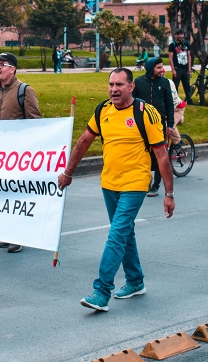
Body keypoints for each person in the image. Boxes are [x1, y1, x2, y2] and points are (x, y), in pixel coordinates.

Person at [57, 68, 175, 312]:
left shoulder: (146, 113)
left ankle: (101, 291)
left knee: (117, 234)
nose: (114, 89)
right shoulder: (103, 110)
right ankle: (135, 281)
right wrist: (68, 172)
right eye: (111, 84)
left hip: (135, 183)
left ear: (131, 87)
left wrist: (169, 193)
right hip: (109, 183)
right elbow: (84, 141)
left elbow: (161, 155)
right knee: (125, 233)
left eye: (119, 84)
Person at [0, 52, 42, 253]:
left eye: (2, 64)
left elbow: (35, 122)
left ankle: (19, 235)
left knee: (17, 195)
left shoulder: (25, 91)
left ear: (12, 68)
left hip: (17, 155)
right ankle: (7, 232)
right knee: (1, 193)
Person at [132, 58, 174, 197]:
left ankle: (155, 185)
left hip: (158, 123)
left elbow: (169, 104)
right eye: (158, 67)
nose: (161, 70)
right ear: (151, 68)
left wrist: (170, 124)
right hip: (141, 123)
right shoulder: (139, 82)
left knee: (159, 154)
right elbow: (132, 102)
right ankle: (145, 182)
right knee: (143, 153)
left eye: (162, 67)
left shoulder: (164, 82)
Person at [168, 28, 194, 105]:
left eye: (181, 34)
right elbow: (170, 57)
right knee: (175, 85)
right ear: (175, 35)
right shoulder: (172, 45)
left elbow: (189, 55)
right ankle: (174, 101)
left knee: (187, 85)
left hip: (185, 68)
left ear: (183, 34)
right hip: (177, 68)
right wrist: (173, 69)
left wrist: (189, 67)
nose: (180, 36)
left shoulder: (186, 44)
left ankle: (189, 100)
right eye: (178, 34)